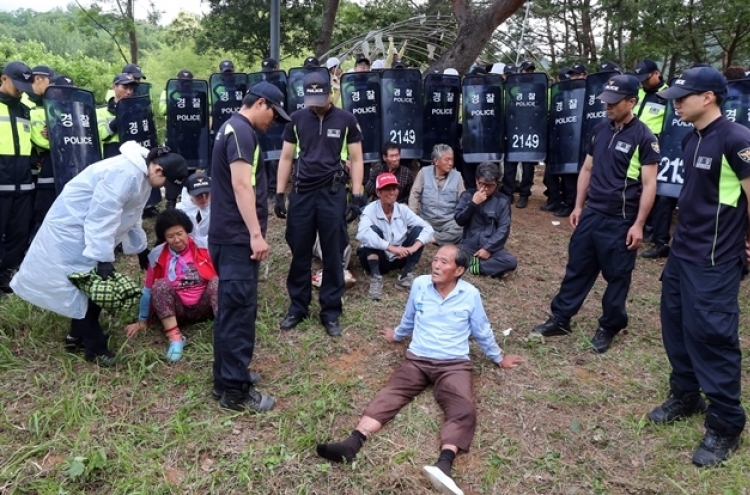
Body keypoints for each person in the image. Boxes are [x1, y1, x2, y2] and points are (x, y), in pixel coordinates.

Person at [315, 245, 524, 495]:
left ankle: (444, 464)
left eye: (443, 262)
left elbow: (482, 330)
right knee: (390, 393)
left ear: (458, 270)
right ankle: (352, 443)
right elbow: (410, 317)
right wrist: (397, 335)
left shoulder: (471, 295)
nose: (436, 265)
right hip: (417, 359)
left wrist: (498, 358)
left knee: (463, 408)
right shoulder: (420, 285)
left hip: (453, 364)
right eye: (435, 260)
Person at [649, 66, 750, 467]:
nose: (676, 102)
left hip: (714, 261)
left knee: (713, 336)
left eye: (683, 96)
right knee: (675, 325)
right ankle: (686, 393)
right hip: (683, 254)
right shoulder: (693, 138)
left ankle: (726, 423)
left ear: (709, 97)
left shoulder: (736, 139)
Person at [10, 143, 188, 366]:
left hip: (88, 233)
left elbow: (130, 215)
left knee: (86, 287)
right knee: (86, 287)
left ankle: (76, 336)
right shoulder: (124, 173)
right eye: (166, 184)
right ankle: (95, 349)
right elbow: (102, 216)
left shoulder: (142, 174)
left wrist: (140, 249)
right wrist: (103, 258)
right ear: (158, 170)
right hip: (73, 232)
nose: (163, 189)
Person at [530, 74, 659, 353]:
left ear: (631, 102)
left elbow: (650, 185)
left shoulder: (644, 138)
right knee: (577, 268)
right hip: (592, 215)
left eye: (614, 102)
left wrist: (639, 224)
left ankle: (610, 326)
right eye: (606, 101)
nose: (607, 106)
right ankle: (561, 318)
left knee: (617, 276)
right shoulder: (599, 130)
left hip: (621, 221)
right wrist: (578, 206)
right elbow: (587, 169)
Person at [209, 82, 288, 410]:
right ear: (260, 103)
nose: (273, 121)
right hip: (237, 239)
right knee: (239, 315)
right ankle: (235, 391)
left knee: (230, 312)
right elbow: (242, 185)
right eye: (274, 113)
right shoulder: (242, 132)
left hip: (226, 237)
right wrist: (255, 234)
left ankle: (224, 377)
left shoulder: (229, 127)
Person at [275, 72, 365, 337]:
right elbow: (286, 158)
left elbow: (357, 159)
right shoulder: (296, 119)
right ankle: (298, 307)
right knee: (300, 250)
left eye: (320, 97)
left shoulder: (347, 120)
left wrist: (357, 196)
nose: (315, 103)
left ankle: (331, 311)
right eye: (310, 98)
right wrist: (280, 193)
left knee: (333, 253)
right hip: (302, 193)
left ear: (331, 92)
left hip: (332, 192)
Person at [125, 209, 218, 362]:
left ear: (187, 231)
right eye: (170, 236)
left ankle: (224, 331)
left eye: (180, 233)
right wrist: (142, 320)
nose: (176, 240)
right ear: (164, 238)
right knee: (160, 285)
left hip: (204, 305)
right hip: (177, 310)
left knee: (217, 282)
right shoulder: (156, 255)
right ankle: (175, 339)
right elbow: (148, 290)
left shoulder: (204, 247)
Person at [357, 172, 433, 299]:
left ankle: (407, 275)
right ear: (378, 192)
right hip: (378, 258)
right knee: (372, 232)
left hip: (399, 257)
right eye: (387, 189)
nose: (393, 192)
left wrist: (413, 248)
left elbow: (428, 228)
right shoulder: (370, 210)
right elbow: (362, 234)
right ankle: (376, 277)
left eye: (395, 188)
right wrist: (390, 247)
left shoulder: (402, 209)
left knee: (419, 230)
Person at [0, 61, 36, 295]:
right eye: (18, 84)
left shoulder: (24, 109)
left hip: (23, 181)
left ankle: (5, 274)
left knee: (19, 232)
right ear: (4, 79)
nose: (21, 89)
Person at [633, 59, 671, 260]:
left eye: (645, 79)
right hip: (633, 146)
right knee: (637, 187)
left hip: (656, 148)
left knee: (657, 192)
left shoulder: (668, 97)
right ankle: (642, 225)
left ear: (656, 74)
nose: (643, 83)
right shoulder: (637, 93)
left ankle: (658, 237)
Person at [455, 162, 517, 278]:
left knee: (511, 261)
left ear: (496, 184)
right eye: (482, 184)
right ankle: (488, 268)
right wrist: (473, 204)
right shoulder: (467, 195)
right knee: (450, 253)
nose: (486, 189)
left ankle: (475, 267)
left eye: (490, 185)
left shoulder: (502, 201)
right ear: (476, 180)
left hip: (492, 248)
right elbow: (459, 220)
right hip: (468, 245)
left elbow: (503, 229)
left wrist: (488, 248)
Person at [22, 66, 55, 239]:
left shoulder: (44, 102)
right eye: (50, 81)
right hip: (25, 165)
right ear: (39, 79)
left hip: (40, 166)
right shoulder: (25, 102)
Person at [409, 144, 465, 246]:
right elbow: (414, 195)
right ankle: (442, 238)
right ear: (436, 161)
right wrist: (413, 216)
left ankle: (431, 238)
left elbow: (463, 200)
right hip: (426, 220)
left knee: (461, 230)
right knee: (411, 228)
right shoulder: (423, 173)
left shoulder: (457, 177)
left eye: (452, 160)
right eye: (447, 160)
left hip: (448, 221)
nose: (450, 163)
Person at [502, 60, 538, 209]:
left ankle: (524, 194)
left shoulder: (537, 89)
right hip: (513, 130)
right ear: (521, 72)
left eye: (531, 71)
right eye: (526, 70)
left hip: (529, 131)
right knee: (510, 164)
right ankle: (508, 193)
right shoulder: (513, 89)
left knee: (528, 166)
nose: (528, 73)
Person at [97, 73, 138, 158]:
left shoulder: (138, 110)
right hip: (111, 157)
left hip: (133, 156)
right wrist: (121, 115)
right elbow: (103, 136)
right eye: (125, 87)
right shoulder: (101, 111)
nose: (129, 92)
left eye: (131, 88)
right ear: (114, 87)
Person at [177, 172, 211, 244]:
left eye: (207, 193)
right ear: (189, 194)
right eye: (198, 194)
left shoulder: (218, 207)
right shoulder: (179, 210)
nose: (204, 198)